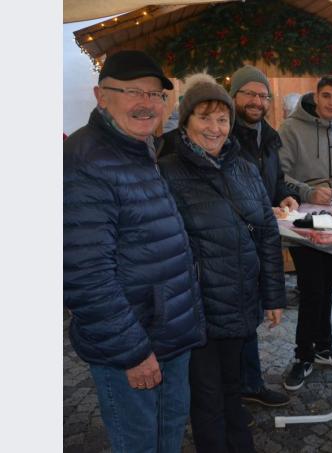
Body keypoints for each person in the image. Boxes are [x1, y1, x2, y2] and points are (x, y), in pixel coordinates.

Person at [63, 50, 206, 452]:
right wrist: (132, 352)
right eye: (132, 92)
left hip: (166, 333)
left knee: (167, 436)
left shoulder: (137, 147)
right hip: (133, 344)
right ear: (100, 95)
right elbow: (84, 274)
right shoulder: (84, 160)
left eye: (156, 95)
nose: (147, 103)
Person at [158, 73, 287, 452]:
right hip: (195, 309)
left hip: (239, 304)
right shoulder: (167, 171)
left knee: (233, 390)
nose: (214, 128)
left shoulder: (245, 169)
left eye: (222, 119)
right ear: (186, 122)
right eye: (204, 117)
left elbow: (266, 234)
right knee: (207, 398)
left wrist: (273, 297)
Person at [229, 65, 299, 407]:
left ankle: (247, 384)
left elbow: (274, 182)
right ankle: (238, 389)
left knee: (249, 317)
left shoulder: (268, 137)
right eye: (249, 94)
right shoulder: (224, 136)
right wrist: (258, 208)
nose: (257, 101)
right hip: (231, 243)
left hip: (258, 241)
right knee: (236, 320)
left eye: (262, 95)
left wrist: (284, 196)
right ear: (234, 96)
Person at [277, 75, 332, 389]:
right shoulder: (290, 129)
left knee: (328, 285)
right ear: (316, 97)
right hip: (302, 223)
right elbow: (279, 176)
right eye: (328, 96)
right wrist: (308, 192)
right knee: (312, 289)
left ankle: (322, 346)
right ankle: (302, 354)